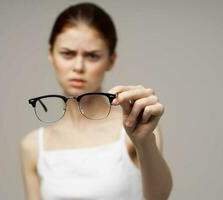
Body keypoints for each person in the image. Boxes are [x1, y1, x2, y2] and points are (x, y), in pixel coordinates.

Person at [20, 2, 173, 200]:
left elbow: (159, 197)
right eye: (67, 53)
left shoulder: (134, 129)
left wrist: (144, 142)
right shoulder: (33, 146)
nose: (78, 66)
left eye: (92, 56)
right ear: (51, 55)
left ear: (111, 60)